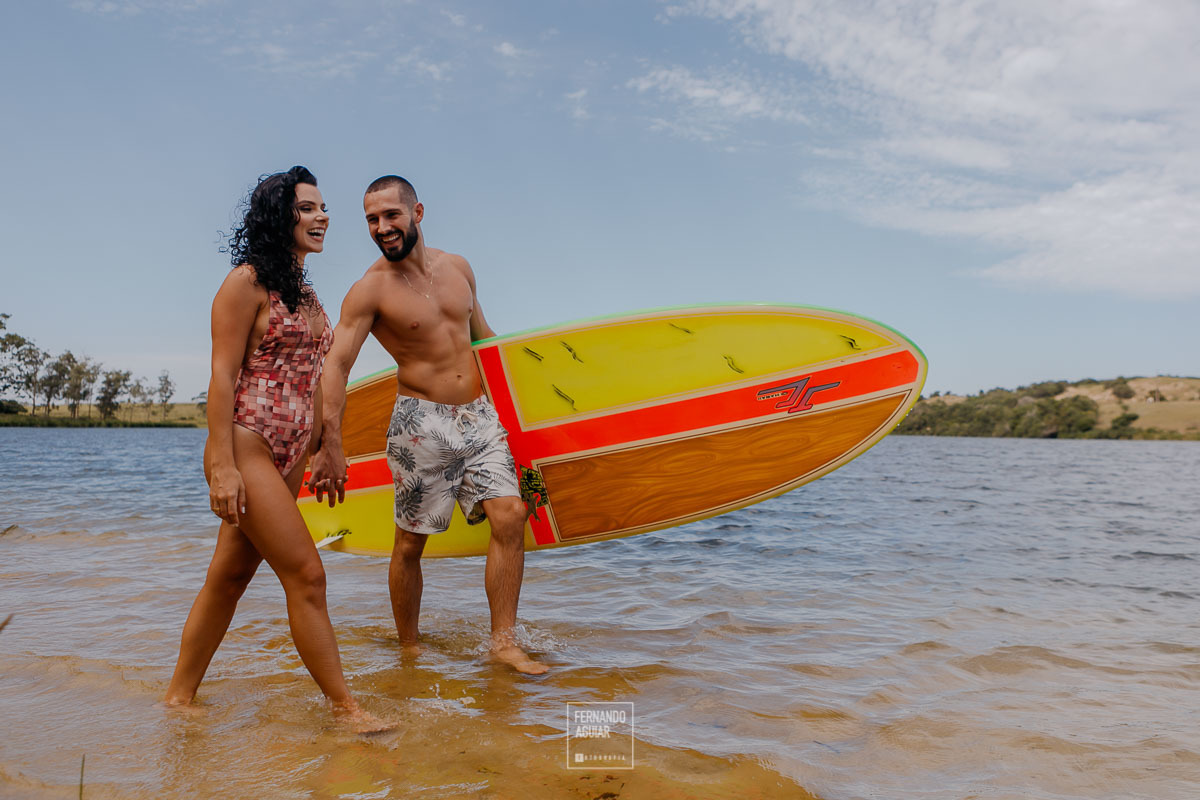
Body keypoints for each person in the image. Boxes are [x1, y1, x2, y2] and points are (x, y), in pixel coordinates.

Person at [164, 166, 387, 730]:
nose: (322, 218)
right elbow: (221, 377)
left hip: (293, 450)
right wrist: (221, 466)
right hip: (249, 443)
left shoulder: (306, 291)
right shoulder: (244, 284)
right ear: (278, 217)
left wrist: (328, 445)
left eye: (322, 208)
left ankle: (177, 701)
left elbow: (315, 377)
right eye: (307, 209)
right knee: (308, 575)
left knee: (229, 576)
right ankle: (346, 710)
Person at [309, 175, 548, 675]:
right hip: (421, 424)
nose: (381, 228)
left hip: (479, 414)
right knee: (410, 543)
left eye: (391, 215)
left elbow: (486, 341)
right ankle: (410, 647)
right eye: (372, 220)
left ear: (417, 213)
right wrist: (329, 443)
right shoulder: (370, 290)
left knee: (510, 514)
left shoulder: (458, 268)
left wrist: (536, 406)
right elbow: (336, 366)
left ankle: (503, 641)